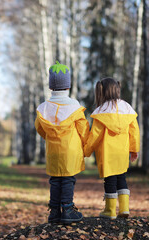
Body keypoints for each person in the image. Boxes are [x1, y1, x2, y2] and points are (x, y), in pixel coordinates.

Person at [35, 61, 89, 223]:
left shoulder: (44, 107)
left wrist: (51, 138)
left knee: (55, 180)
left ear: (51, 86)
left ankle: (54, 211)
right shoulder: (74, 106)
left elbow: (39, 128)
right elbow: (83, 128)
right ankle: (67, 209)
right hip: (70, 150)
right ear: (68, 86)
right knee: (67, 179)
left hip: (53, 150)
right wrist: (85, 146)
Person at [84, 77, 140, 219]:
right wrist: (134, 149)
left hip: (107, 153)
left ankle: (110, 211)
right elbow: (134, 131)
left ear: (102, 92)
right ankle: (124, 209)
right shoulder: (127, 109)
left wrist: (86, 151)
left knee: (110, 180)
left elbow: (94, 136)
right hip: (122, 152)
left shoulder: (101, 112)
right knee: (122, 178)